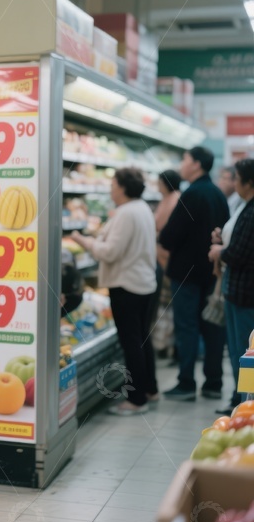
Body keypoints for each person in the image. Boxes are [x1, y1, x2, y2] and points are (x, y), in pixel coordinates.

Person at [71, 168, 157, 415]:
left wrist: (82, 241)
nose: (110, 188)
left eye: (113, 184)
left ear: (122, 187)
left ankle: (136, 399)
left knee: (131, 343)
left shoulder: (126, 213)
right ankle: (150, 389)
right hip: (144, 283)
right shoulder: (142, 208)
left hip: (126, 285)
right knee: (142, 339)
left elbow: (109, 252)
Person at [160, 147, 230, 401]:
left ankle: (186, 382)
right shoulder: (217, 195)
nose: (182, 164)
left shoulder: (191, 195)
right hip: (211, 273)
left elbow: (170, 235)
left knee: (187, 326)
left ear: (197, 164)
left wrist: (165, 240)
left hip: (186, 275)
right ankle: (213, 383)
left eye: (185, 159)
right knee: (212, 328)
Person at [209, 158, 254, 414]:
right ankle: (240, 401)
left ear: (249, 182)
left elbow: (239, 253)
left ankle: (244, 404)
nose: (233, 183)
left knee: (243, 350)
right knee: (239, 349)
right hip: (238, 290)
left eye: (236, 178)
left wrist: (219, 251)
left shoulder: (251, 210)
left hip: (245, 293)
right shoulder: (244, 206)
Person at [152, 170, 181, 362]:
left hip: (167, 260)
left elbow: (163, 230)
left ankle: (166, 344)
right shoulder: (169, 199)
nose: (157, 185)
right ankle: (165, 343)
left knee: (167, 305)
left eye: (159, 182)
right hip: (163, 258)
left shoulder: (173, 200)